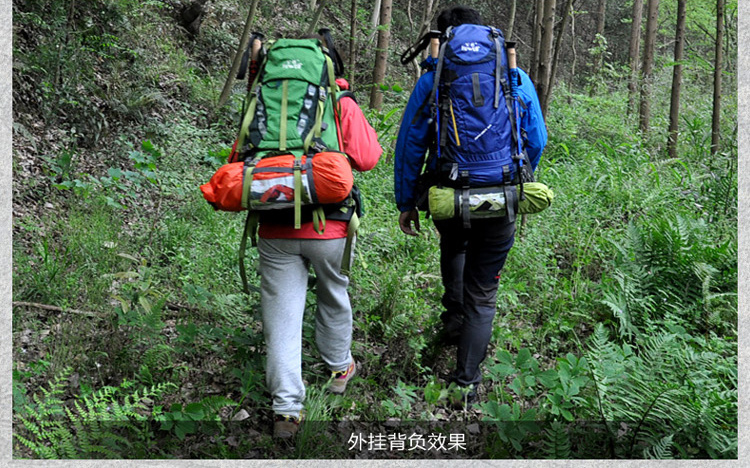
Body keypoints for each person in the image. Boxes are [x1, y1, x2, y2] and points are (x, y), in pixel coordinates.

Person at [394, 6, 547, 406]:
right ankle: (466, 382)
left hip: (450, 193)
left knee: (455, 246)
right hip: (502, 196)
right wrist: (515, 176)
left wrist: (407, 201)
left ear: (442, 40)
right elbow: (537, 138)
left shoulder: (433, 79)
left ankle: (453, 318)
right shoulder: (513, 77)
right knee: (484, 290)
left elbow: (411, 146)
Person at [256, 39, 382, 437]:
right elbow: (369, 157)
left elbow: (241, 156)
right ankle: (338, 367)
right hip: (331, 224)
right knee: (333, 293)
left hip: (275, 224)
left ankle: (287, 411)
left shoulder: (268, 100)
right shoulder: (339, 102)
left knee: (281, 317)